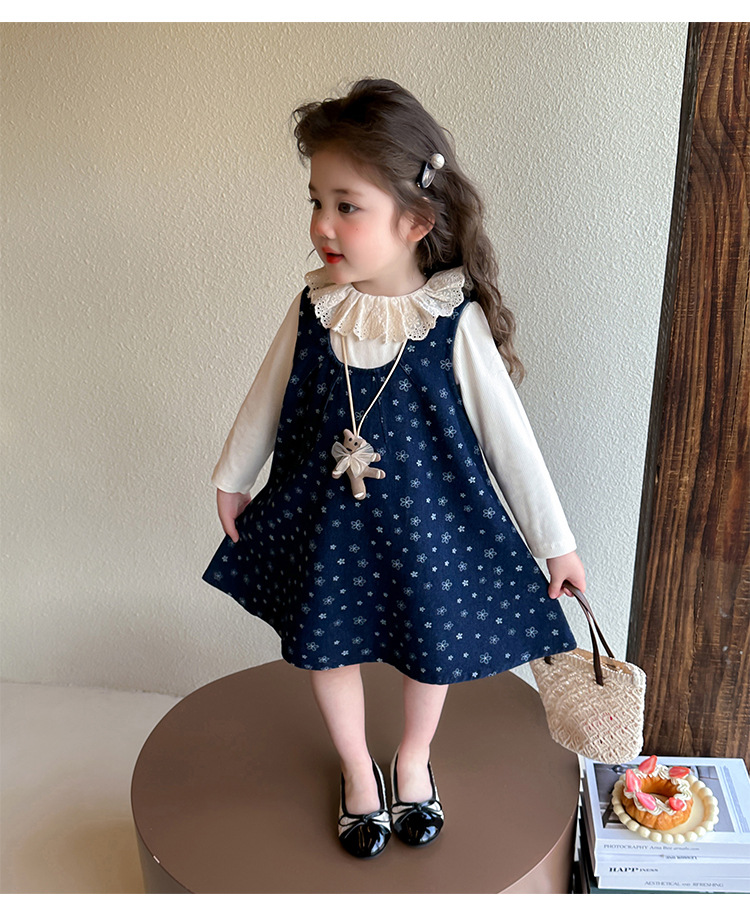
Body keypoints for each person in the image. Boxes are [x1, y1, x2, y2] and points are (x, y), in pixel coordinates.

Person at [203, 78, 586, 859]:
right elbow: (266, 396)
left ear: (414, 221)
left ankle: (413, 760)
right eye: (317, 202)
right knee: (327, 644)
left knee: (429, 645)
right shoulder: (315, 308)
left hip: (428, 532)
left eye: (347, 205)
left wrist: (557, 543)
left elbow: (511, 442)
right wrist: (234, 475)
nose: (323, 225)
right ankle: (356, 768)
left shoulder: (452, 321)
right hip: (328, 527)